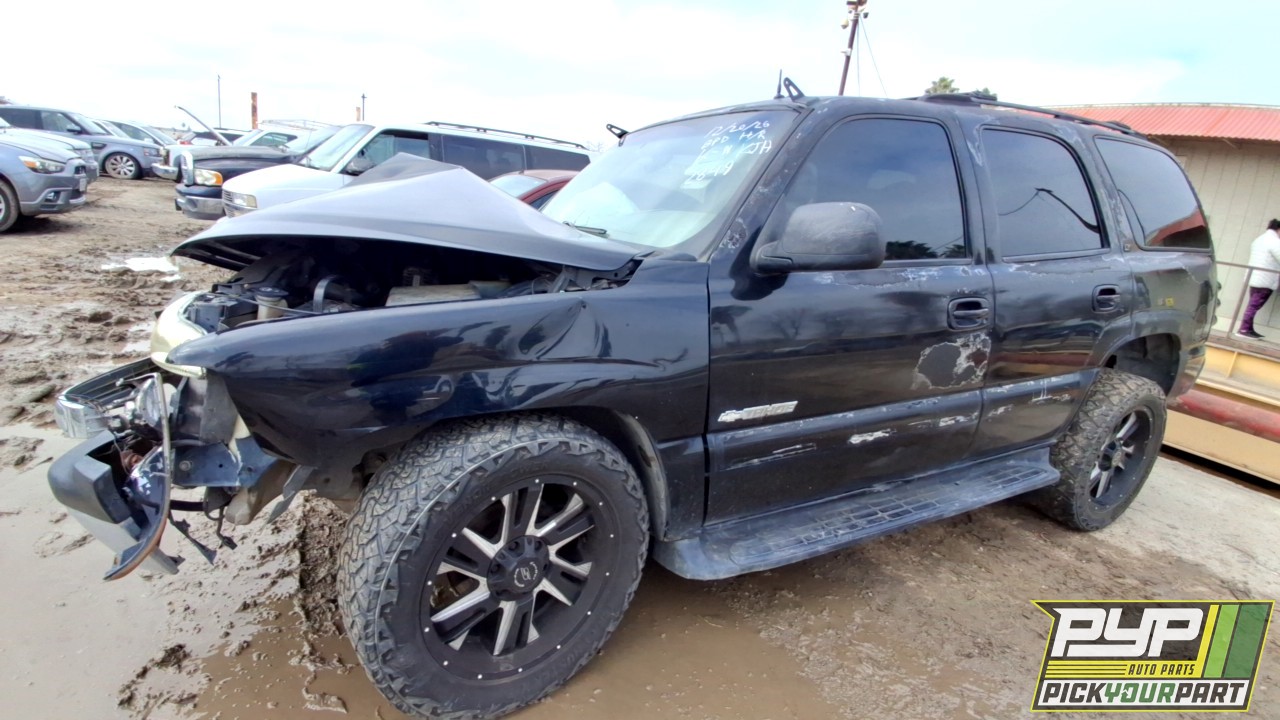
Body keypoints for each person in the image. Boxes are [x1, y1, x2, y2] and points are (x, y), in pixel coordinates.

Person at [1238, 219, 1280, 339]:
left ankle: (1248, 329)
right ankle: (1244, 329)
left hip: (1254, 277)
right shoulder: (1274, 242)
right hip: (1265, 279)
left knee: (1252, 304)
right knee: (1254, 306)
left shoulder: (1260, 239)